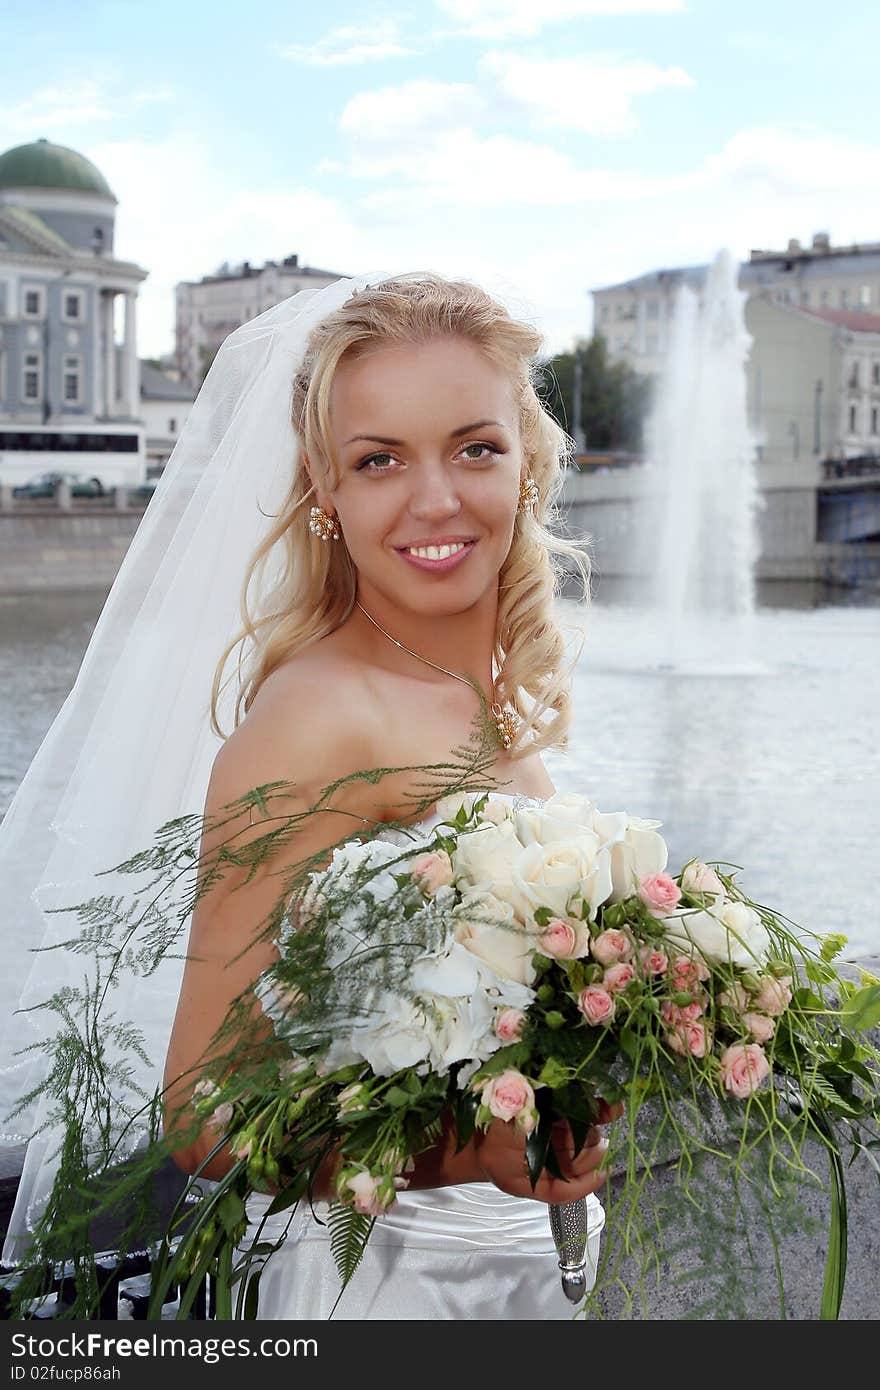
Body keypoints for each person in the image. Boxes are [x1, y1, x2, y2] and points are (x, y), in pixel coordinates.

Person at [0, 272, 607, 1319]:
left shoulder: (480, 693)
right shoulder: (316, 718)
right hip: (395, 1282)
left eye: (474, 447)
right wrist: (460, 1153)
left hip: (519, 1268)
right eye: (380, 461)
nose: (435, 498)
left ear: (528, 464)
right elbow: (204, 1113)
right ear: (326, 488)